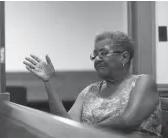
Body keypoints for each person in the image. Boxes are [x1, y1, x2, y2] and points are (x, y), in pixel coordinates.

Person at [23, 31, 161, 136]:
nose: (97, 59)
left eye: (104, 53)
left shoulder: (142, 82)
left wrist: (81, 131)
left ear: (124, 56)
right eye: (95, 55)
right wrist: (48, 82)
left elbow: (127, 121)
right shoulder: (90, 91)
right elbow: (66, 124)